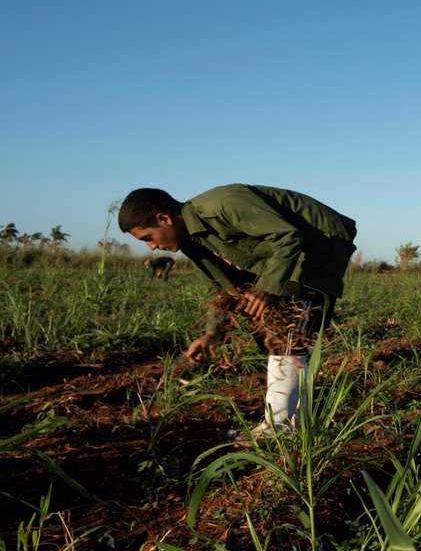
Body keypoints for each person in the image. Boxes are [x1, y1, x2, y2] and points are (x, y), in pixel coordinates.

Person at [118, 184, 357, 439]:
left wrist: (266, 287)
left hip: (320, 239)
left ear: (163, 218)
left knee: (291, 323)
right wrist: (212, 334)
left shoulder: (224, 204)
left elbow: (287, 236)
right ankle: (292, 420)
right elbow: (225, 288)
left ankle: (280, 426)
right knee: (266, 320)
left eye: (147, 238)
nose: (151, 247)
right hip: (281, 249)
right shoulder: (190, 240)